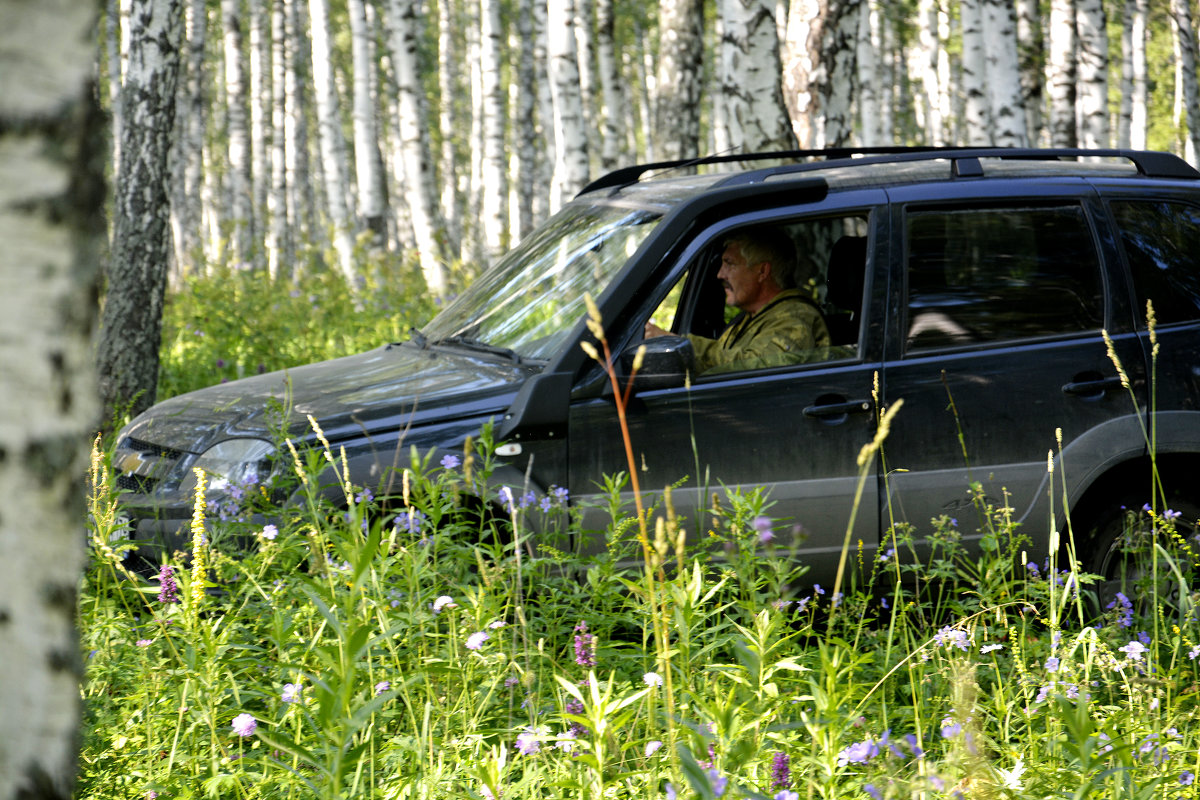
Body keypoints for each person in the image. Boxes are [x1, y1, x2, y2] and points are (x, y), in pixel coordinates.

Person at [644, 228, 831, 374]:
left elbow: (756, 369)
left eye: (730, 264)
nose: (720, 274)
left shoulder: (796, 318)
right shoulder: (751, 320)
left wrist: (677, 346)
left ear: (762, 272)